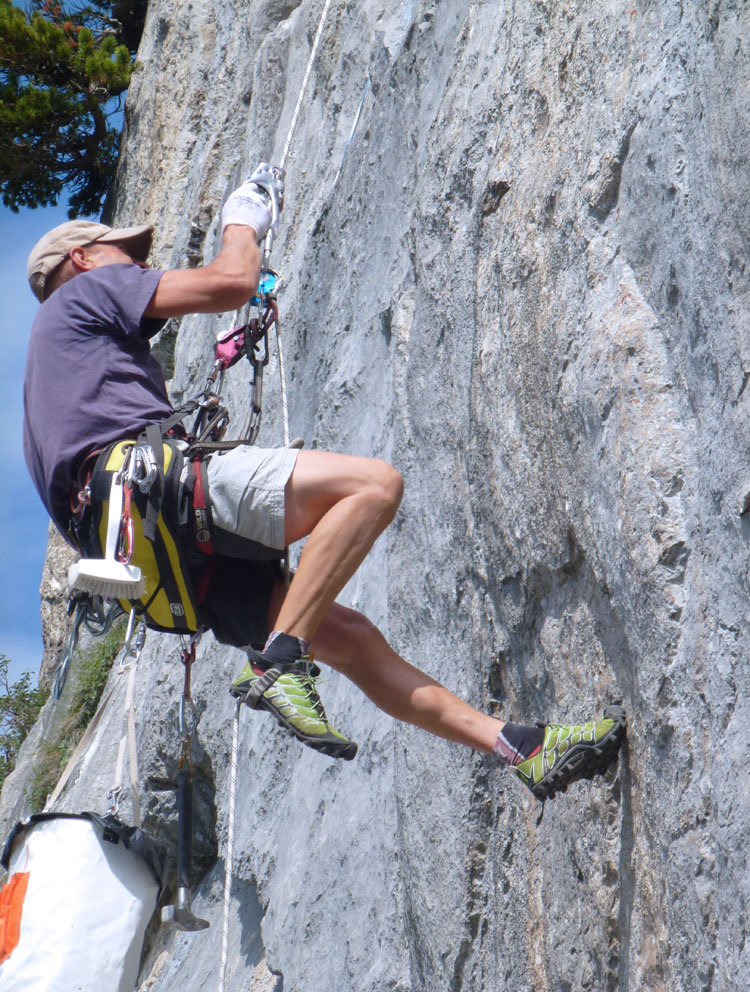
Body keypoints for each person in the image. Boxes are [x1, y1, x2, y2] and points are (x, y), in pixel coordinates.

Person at [23, 164, 625, 802]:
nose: (138, 266)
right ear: (84, 259)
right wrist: (244, 219)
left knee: (354, 640)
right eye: (124, 253)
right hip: (156, 493)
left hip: (155, 562)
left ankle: (519, 747)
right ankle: (280, 660)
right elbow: (231, 281)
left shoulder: (53, 376)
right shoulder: (83, 295)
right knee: (372, 488)